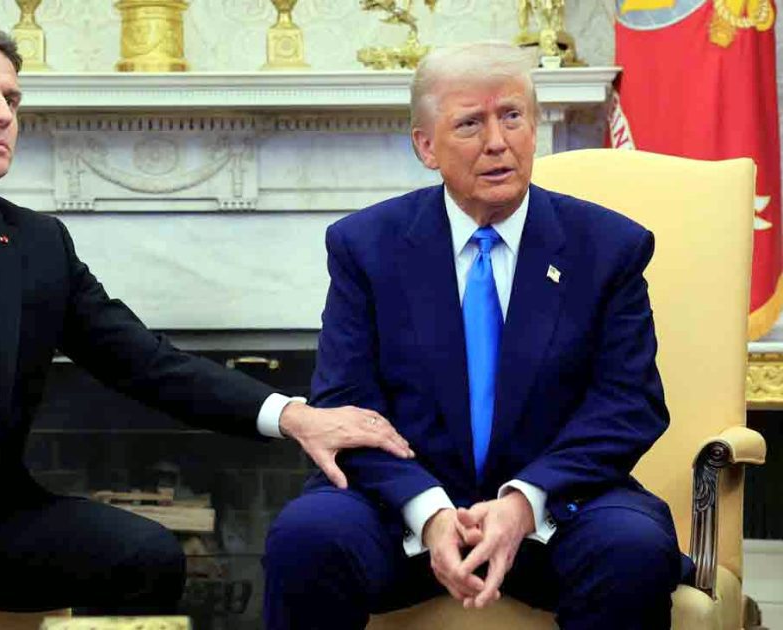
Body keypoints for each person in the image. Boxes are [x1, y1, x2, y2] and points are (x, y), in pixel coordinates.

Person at [0, 23, 412, 630]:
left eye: (12, 99)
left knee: (148, 557)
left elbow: (145, 362)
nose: (3, 114)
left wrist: (292, 415)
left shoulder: (36, 244)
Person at [262, 42, 688, 629]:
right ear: (426, 146)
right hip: (403, 512)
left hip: (557, 509)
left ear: (534, 128)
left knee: (633, 548)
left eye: (512, 116)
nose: (497, 142)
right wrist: (429, 511)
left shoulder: (608, 247)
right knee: (306, 537)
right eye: (470, 124)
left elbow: (628, 404)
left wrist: (524, 501)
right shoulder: (366, 246)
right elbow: (344, 405)